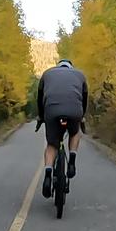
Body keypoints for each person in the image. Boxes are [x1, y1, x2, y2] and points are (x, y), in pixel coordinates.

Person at [36, 58, 88, 198]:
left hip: (51, 111)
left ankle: (47, 175)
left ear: (57, 66)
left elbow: (40, 98)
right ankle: (71, 160)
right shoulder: (80, 75)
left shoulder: (47, 74)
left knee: (52, 144)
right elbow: (84, 98)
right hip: (74, 111)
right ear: (71, 67)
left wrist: (41, 116)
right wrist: (82, 116)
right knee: (74, 133)